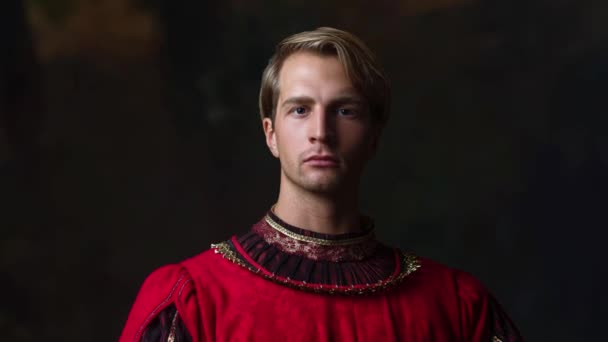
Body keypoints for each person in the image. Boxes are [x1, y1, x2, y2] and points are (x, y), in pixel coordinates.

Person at [119, 27, 523, 342]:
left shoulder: (455, 306)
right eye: (299, 110)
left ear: (374, 136)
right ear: (270, 134)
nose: (321, 132)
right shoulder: (191, 299)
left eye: (345, 110)